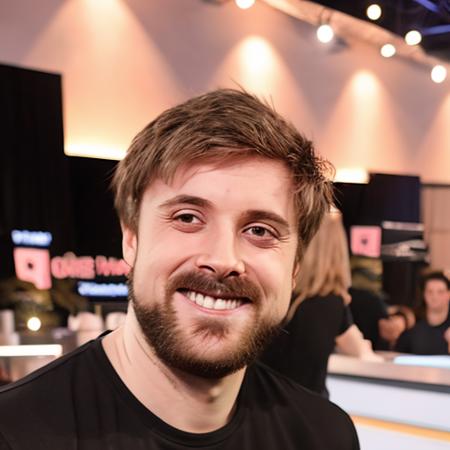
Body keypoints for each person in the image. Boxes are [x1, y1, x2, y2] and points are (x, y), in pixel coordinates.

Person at [0, 89, 359, 449]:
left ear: (295, 267)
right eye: (187, 218)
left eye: (260, 231)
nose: (222, 260)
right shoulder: (17, 432)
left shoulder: (324, 435)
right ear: (132, 239)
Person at [261, 211, 381, 398]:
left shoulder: (275, 295)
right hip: (309, 411)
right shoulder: (333, 303)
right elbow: (361, 352)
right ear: (338, 248)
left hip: (260, 406)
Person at [395, 271, 450, 355]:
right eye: (430, 291)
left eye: (440, 292)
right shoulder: (412, 329)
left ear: (448, 294)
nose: (434, 297)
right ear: (424, 294)